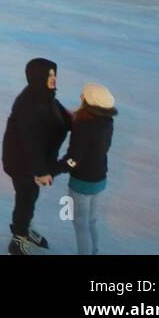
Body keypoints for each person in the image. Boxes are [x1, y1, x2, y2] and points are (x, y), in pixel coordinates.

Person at [2, 58, 72, 255]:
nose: (53, 79)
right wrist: (40, 171)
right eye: (49, 75)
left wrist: (80, 119)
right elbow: (30, 142)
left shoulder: (45, 96)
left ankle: (24, 227)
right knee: (26, 196)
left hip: (34, 161)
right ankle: (18, 238)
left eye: (54, 74)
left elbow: (61, 116)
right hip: (22, 162)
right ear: (38, 76)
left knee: (31, 195)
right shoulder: (28, 103)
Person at [56, 84, 117, 255]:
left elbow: (73, 159)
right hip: (99, 178)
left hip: (82, 182)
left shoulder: (84, 125)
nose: (81, 98)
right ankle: (94, 251)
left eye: (83, 97)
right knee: (91, 221)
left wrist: (53, 169)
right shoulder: (107, 121)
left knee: (80, 224)